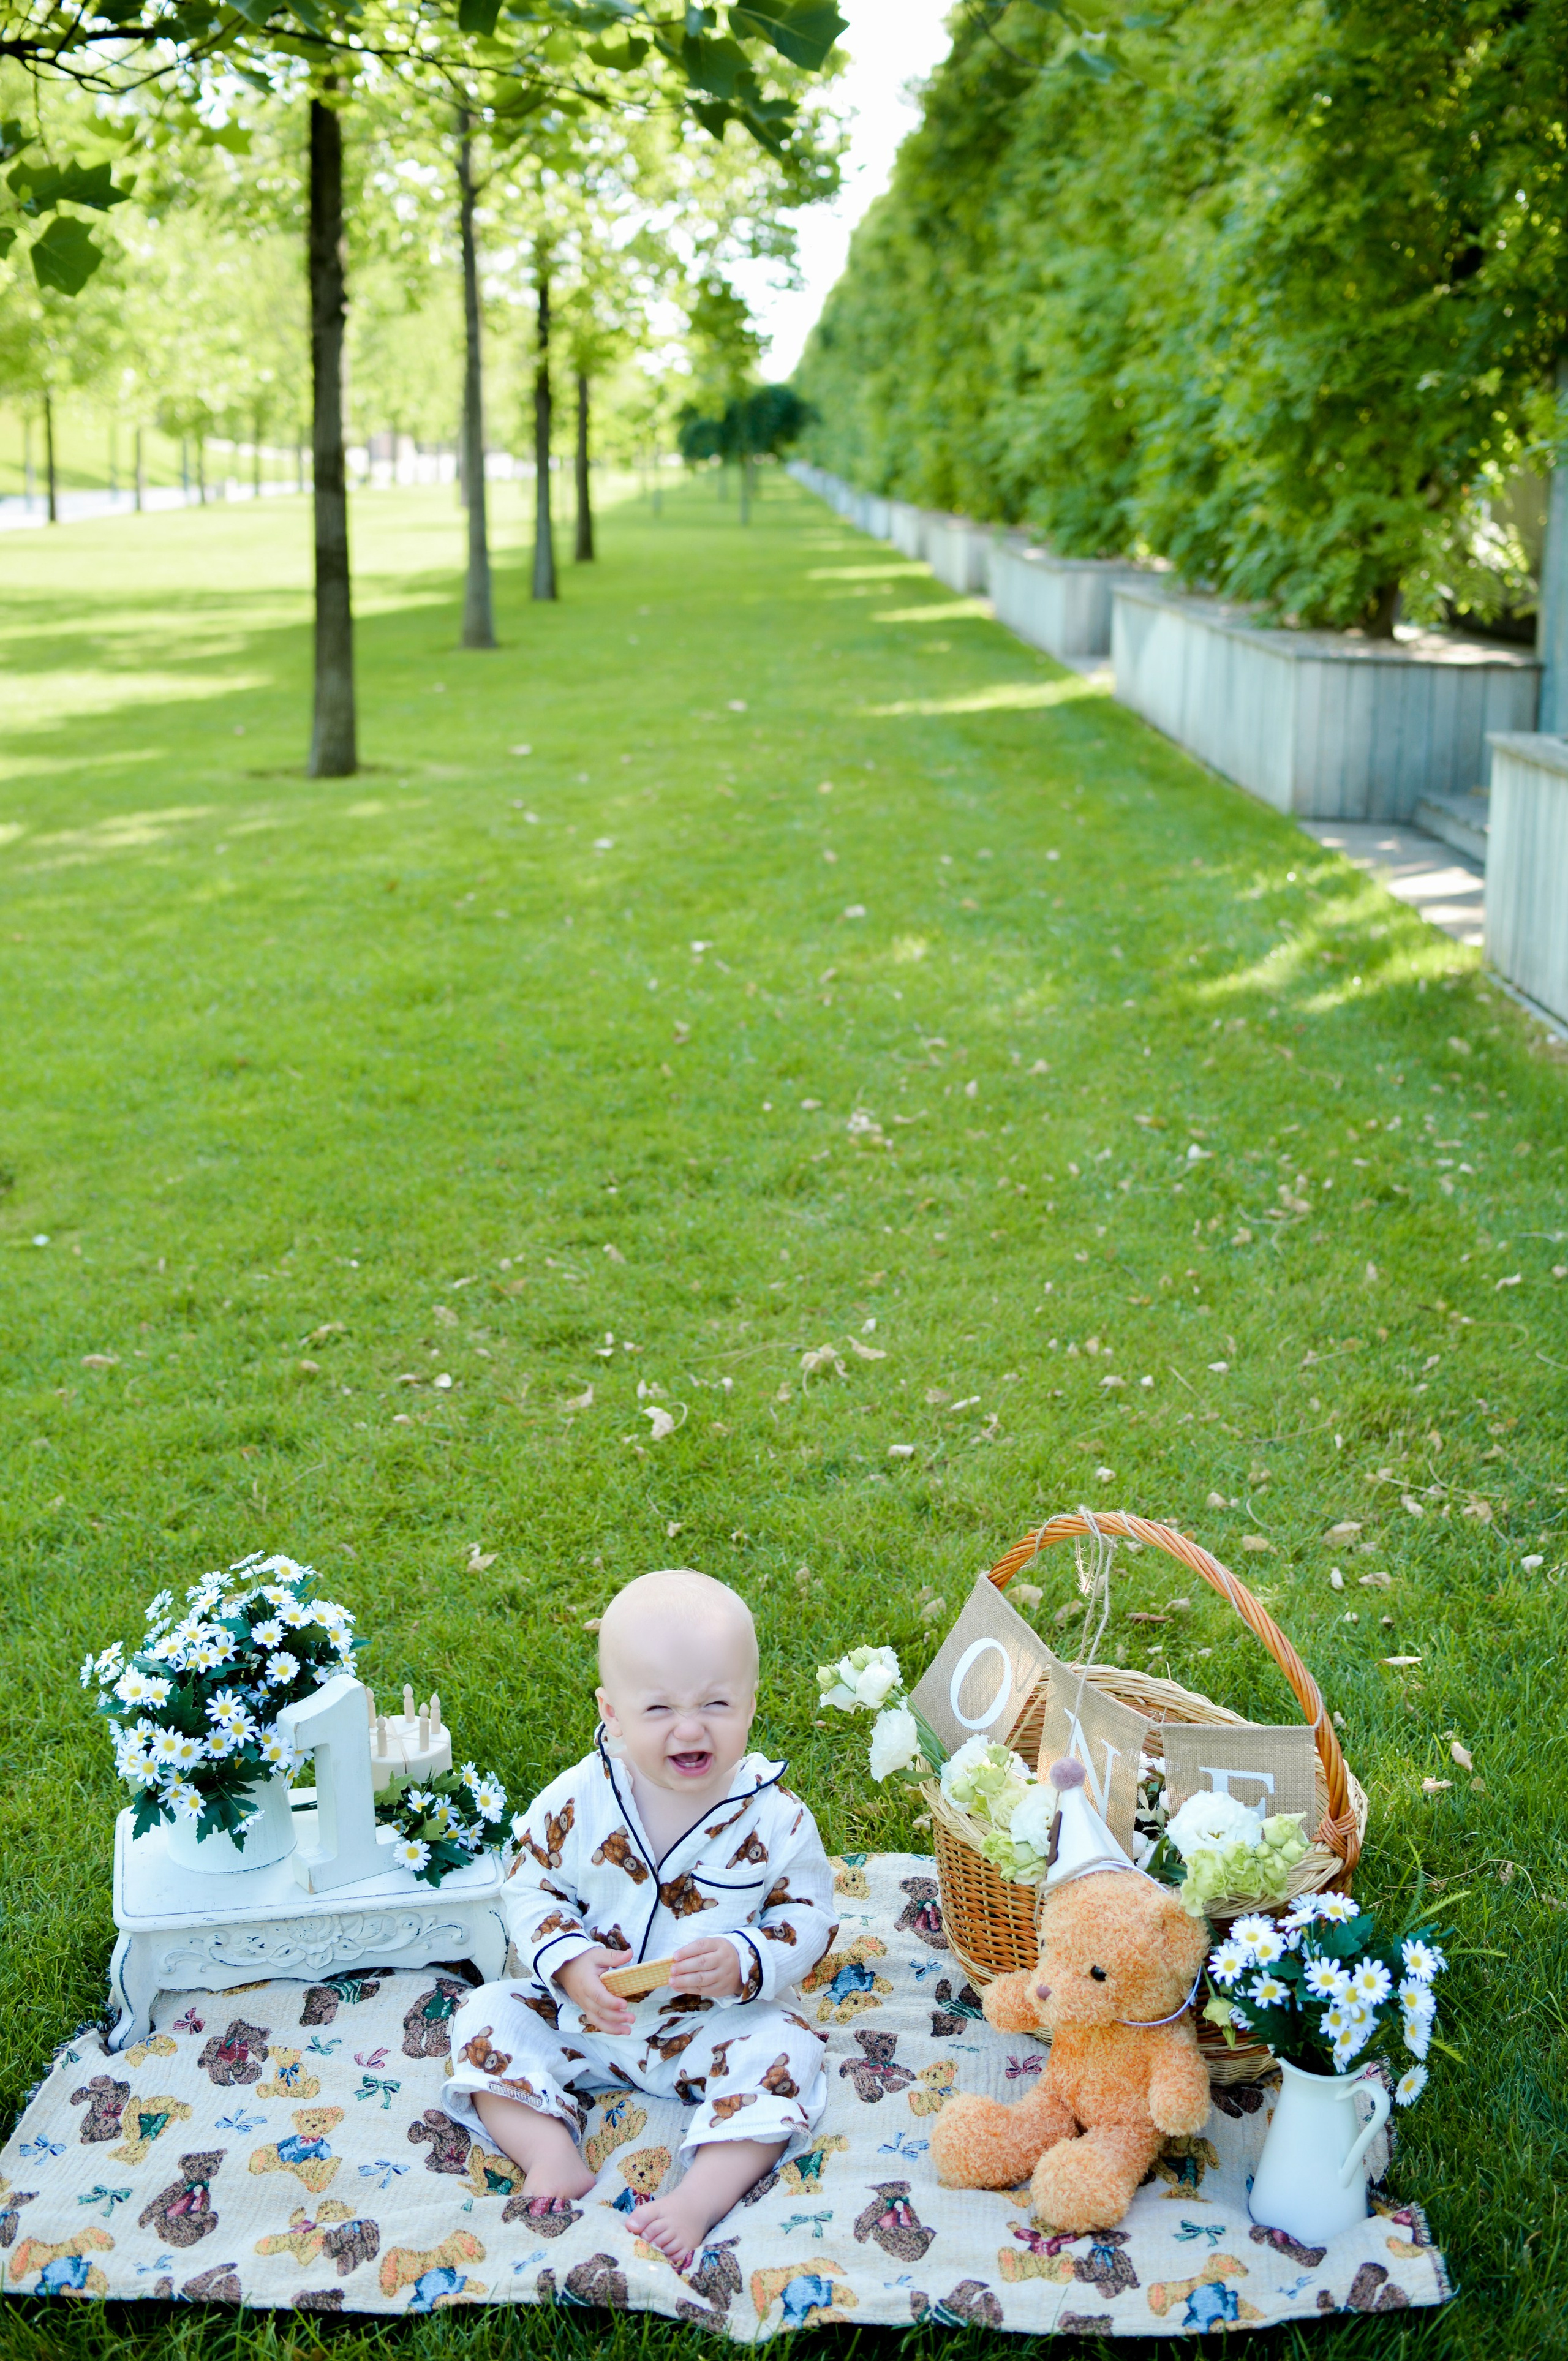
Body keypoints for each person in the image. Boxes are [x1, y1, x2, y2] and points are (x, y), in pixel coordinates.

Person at [445, 1568, 836, 2270]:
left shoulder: (776, 1818)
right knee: (483, 2014)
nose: (690, 1727)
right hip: (587, 2020)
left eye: (716, 1702)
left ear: (751, 1704)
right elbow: (530, 1883)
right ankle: (550, 2152)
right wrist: (565, 1958)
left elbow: (807, 1915)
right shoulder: (578, 1800)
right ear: (613, 1711)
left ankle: (699, 2198)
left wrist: (746, 1958)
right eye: (658, 1710)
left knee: (791, 2051)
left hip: (707, 2028)